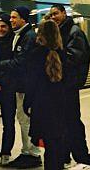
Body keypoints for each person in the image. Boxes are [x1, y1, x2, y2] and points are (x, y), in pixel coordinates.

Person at [49, 4, 90, 169]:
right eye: (51, 14)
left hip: (69, 85)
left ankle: (84, 159)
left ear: (63, 13)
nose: (53, 17)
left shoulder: (74, 32)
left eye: (56, 14)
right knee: (62, 123)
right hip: (61, 86)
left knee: (72, 122)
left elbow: (72, 59)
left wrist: (52, 56)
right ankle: (64, 156)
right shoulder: (60, 31)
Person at [0, 6, 41, 168]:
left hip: (26, 86)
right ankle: (27, 151)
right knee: (23, 119)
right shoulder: (21, 35)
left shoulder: (28, 36)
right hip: (21, 85)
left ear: (23, 19)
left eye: (14, 17)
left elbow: (20, 62)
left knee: (26, 120)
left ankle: (32, 154)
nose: (11, 20)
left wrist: (0, 64)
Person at [24, 20, 67, 170]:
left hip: (41, 105)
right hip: (59, 105)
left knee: (48, 143)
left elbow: (31, 82)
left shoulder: (35, 54)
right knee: (57, 143)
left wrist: (26, 104)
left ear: (40, 34)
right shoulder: (63, 54)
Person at [0, 14, 16, 166]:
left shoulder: (14, 41)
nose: (0, 29)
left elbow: (14, 65)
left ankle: (6, 152)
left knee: (9, 122)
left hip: (8, 87)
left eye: (3, 26)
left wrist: (0, 82)